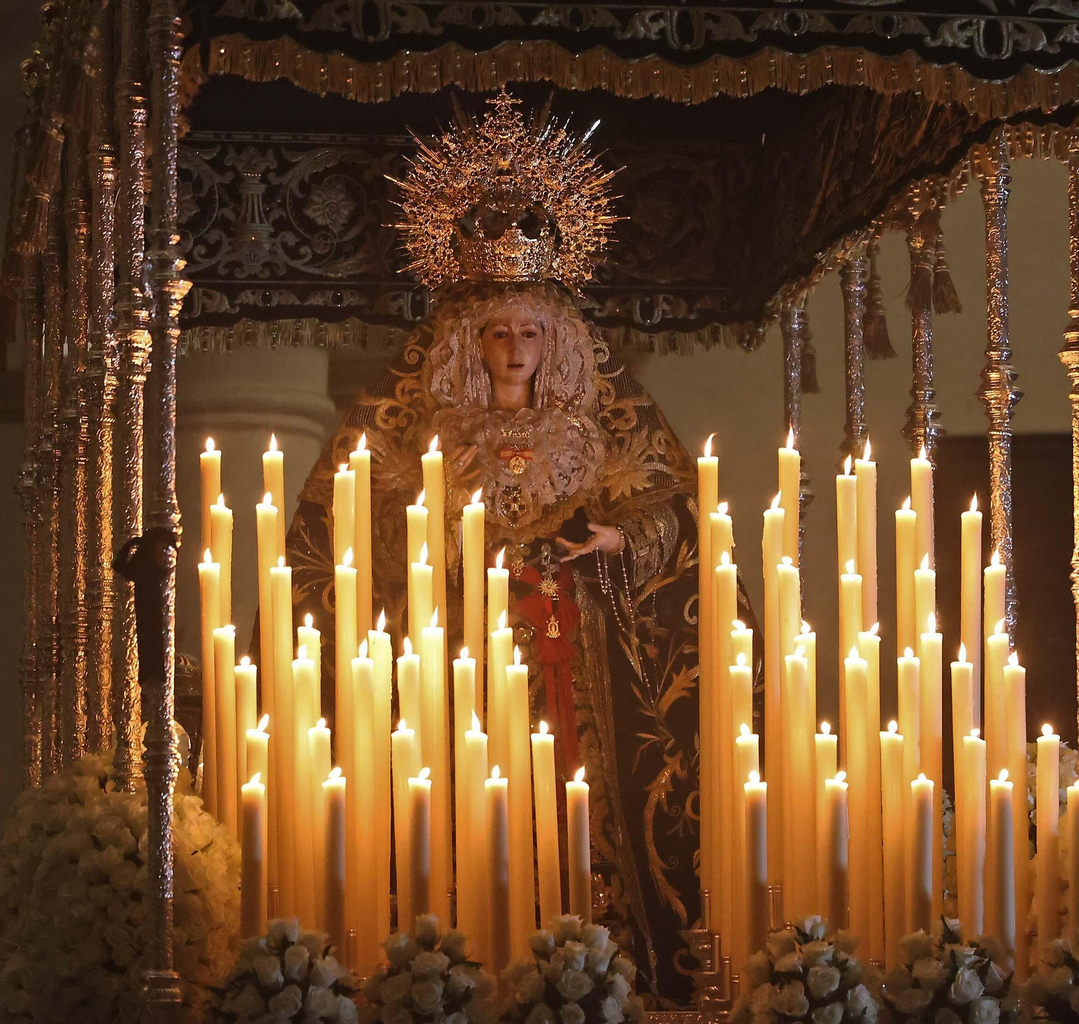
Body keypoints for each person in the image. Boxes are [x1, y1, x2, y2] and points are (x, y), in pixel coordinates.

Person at [280, 93, 754, 1001]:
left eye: (531, 332)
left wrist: (620, 536)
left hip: (571, 640)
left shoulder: (599, 421)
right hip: (458, 641)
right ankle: (459, 949)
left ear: (558, 342)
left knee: (579, 790)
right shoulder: (420, 426)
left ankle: (597, 943)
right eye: (497, 332)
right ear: (469, 342)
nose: (514, 349)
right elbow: (341, 516)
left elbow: (672, 505)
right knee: (468, 796)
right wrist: (430, 547)